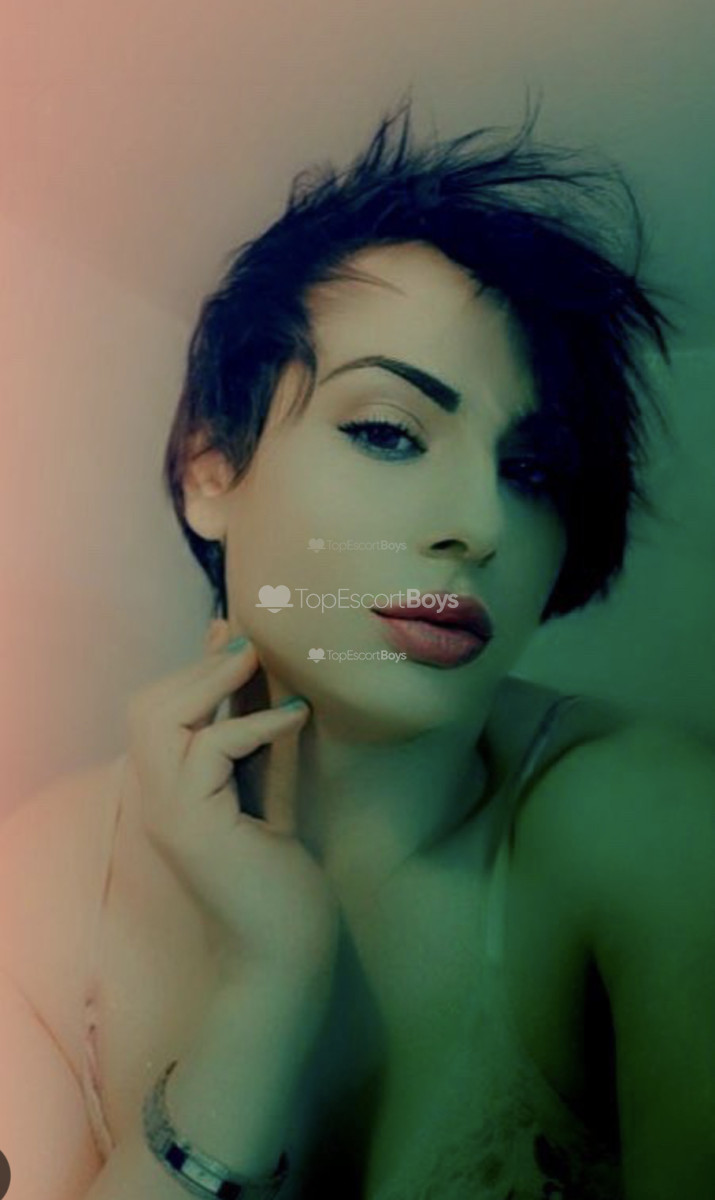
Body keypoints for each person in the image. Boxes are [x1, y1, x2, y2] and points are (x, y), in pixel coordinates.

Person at [0, 93, 713, 1200]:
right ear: (209, 471)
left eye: (531, 470)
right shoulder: (38, 885)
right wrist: (267, 986)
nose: (480, 523)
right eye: (387, 432)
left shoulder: (649, 821)